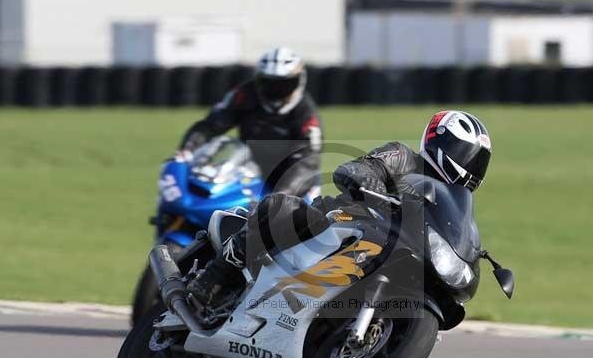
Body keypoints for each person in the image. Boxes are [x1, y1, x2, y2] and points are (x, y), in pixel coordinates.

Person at [188, 110, 493, 309]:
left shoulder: (451, 203)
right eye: (466, 154)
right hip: (343, 220)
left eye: (477, 160)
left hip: (387, 252)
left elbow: (453, 235)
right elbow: (359, 167)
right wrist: (367, 181)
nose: (470, 165)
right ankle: (211, 282)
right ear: (440, 143)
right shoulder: (403, 157)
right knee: (279, 208)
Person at [179, 47, 322, 200]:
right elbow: (211, 125)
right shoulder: (244, 95)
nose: (276, 91)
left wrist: (281, 195)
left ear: (299, 81)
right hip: (248, 168)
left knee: (283, 217)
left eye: (285, 84)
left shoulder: (306, 113)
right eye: (269, 84)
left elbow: (308, 160)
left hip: (292, 175)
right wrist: (188, 149)